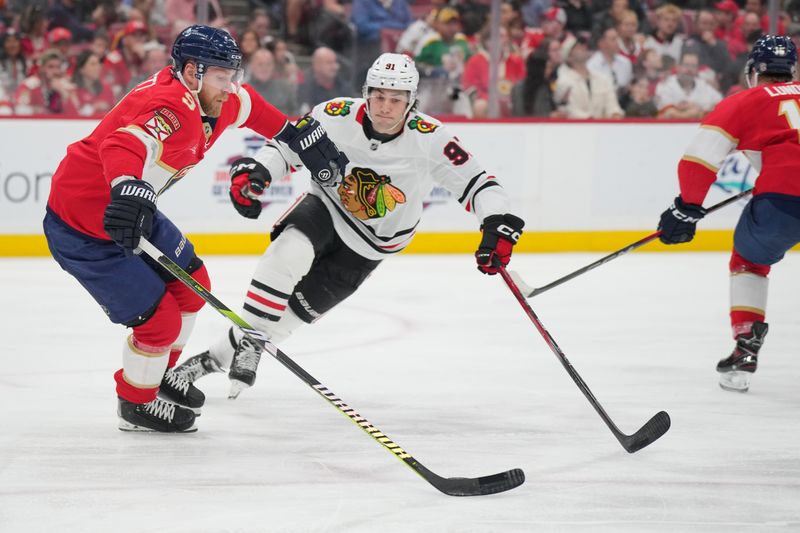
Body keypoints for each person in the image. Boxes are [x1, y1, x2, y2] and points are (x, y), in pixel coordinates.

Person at [42, 25, 349, 433]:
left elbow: (249, 105)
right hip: (85, 225)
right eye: (223, 76)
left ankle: (156, 373)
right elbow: (121, 145)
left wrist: (291, 134)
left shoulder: (214, 96)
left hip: (134, 209)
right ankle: (136, 405)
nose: (231, 86)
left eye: (231, 74)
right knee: (159, 321)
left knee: (191, 285)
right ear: (191, 72)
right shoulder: (168, 108)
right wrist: (125, 186)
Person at [173, 53, 526, 399]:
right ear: (366, 93)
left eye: (396, 100)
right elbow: (286, 148)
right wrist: (259, 170)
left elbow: (481, 185)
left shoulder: (430, 137)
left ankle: (206, 363)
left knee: (286, 321)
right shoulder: (335, 115)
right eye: (378, 97)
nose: (385, 108)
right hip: (327, 207)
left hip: (372, 244)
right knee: (288, 252)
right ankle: (250, 340)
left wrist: (495, 225)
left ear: (411, 103)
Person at [656, 35, 799, 393]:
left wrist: (686, 208)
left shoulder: (747, 100)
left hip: (784, 200)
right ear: (792, 72)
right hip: (784, 190)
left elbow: (700, 158)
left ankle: (746, 346)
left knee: (749, 261)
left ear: (753, 71)